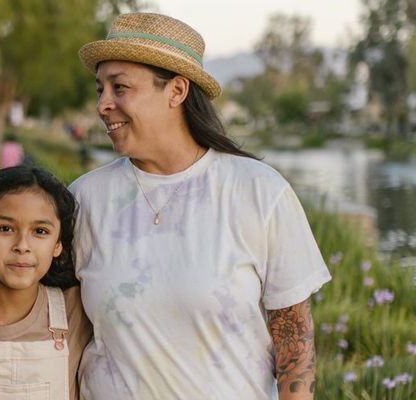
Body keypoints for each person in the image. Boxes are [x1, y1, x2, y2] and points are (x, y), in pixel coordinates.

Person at [70, 13, 331, 399]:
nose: (103, 105)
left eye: (120, 88)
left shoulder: (258, 191)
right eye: (100, 90)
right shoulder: (83, 200)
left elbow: (295, 347)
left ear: (176, 91)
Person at [0, 165, 92, 400]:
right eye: (5, 228)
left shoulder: (76, 308)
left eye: (40, 231)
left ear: (58, 245)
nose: (22, 245)